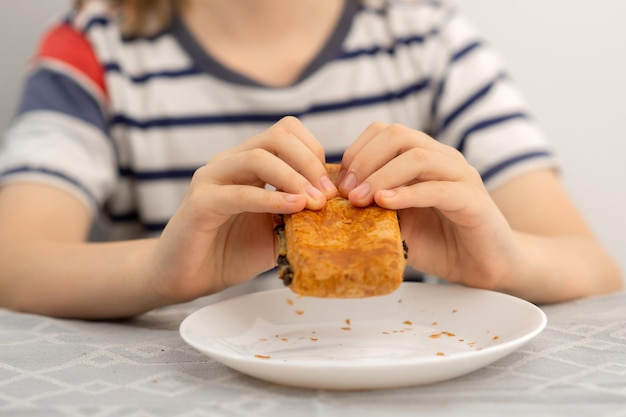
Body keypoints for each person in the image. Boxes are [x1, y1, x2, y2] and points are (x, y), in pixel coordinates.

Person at [0, 0, 621, 319]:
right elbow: (14, 261)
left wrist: (503, 258)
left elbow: (596, 270)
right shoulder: (92, 50)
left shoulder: (429, 40)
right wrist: (163, 271)